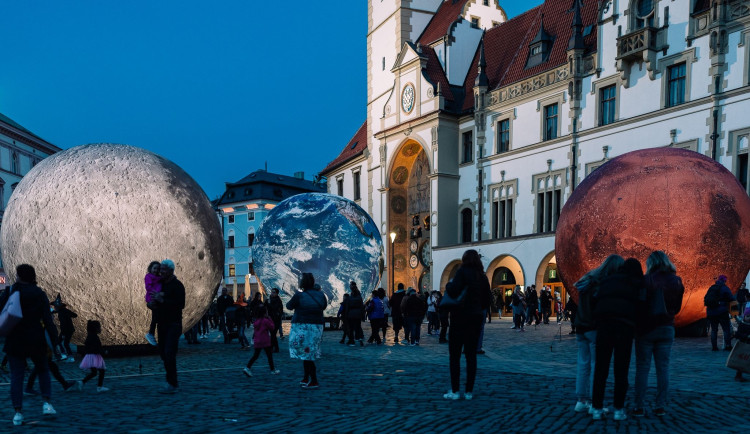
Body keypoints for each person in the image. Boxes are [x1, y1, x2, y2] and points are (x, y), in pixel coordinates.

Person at [0, 264, 58, 425]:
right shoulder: (39, 293)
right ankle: (47, 403)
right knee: (43, 370)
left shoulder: (11, 291)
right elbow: (48, 319)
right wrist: (54, 341)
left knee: (16, 377)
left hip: (15, 339)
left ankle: (18, 413)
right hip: (35, 337)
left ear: (18, 276)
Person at [633, 251, 685, 417]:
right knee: (663, 369)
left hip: (646, 329)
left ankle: (639, 406)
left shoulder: (646, 280)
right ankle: (660, 406)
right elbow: (677, 308)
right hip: (666, 327)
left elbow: (639, 305)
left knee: (642, 368)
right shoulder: (676, 281)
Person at [591, 257, 643, 421]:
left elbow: (596, 301)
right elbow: (640, 306)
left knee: (601, 369)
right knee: (621, 370)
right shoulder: (634, 283)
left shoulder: (607, 280)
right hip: (624, 328)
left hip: (604, 326)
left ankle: (597, 408)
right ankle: (619, 410)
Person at [572, 254, 623, 414]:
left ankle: (581, 400)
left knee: (583, 363)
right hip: (594, 327)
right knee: (596, 365)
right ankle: (595, 402)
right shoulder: (601, 283)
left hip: (580, 326)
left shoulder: (588, 279)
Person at [443, 249, 491, 400]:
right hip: (475, 318)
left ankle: (455, 390)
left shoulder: (462, 272)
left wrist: (448, 286)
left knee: (455, 356)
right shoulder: (482, 277)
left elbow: (454, 290)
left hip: (459, 318)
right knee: (471, 356)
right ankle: (469, 391)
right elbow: (488, 300)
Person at [286, 273, 327, 389]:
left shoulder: (299, 295)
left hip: (302, 326)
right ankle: (306, 378)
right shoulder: (321, 295)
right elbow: (323, 306)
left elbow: (289, 306)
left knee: (307, 354)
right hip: (317, 327)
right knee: (308, 353)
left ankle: (314, 380)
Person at [153, 259, 185, 394]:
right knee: (163, 353)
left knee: (169, 353)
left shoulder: (177, 285)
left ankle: (172, 383)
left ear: (171, 271)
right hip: (162, 323)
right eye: (161, 269)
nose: (161, 272)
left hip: (174, 324)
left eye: (164, 270)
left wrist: (163, 300)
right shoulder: (160, 284)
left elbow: (181, 304)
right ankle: (171, 381)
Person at [243, 306, 280, 376]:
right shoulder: (266, 320)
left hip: (257, 340)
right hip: (265, 340)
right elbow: (272, 327)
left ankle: (247, 367)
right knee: (269, 356)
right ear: (265, 313)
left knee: (255, 355)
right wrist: (270, 319)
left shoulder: (256, 321)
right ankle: (272, 370)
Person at [75, 320, 108, 392]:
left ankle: (82, 382)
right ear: (95, 328)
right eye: (99, 327)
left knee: (94, 372)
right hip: (95, 356)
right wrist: (103, 351)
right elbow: (97, 347)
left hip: (89, 356)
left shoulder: (89, 336)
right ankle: (99, 387)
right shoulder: (95, 337)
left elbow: (88, 346)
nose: (100, 329)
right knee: (101, 371)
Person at [705, 275, 735, 352]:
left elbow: (706, 298)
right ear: (725, 281)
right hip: (722, 311)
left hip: (711, 312)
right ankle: (728, 346)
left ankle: (714, 347)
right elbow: (731, 298)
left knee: (714, 330)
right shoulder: (725, 288)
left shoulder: (712, 287)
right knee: (726, 329)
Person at [51, 295, 77, 362]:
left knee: (64, 343)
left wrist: (63, 333)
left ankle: (69, 357)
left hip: (66, 330)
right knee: (62, 342)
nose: (54, 307)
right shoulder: (64, 310)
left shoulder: (62, 313)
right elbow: (75, 315)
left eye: (55, 306)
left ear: (57, 306)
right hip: (69, 329)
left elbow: (63, 323)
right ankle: (65, 355)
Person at [144, 261, 162, 346]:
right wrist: (156, 294)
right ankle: (151, 333)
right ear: (150, 268)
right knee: (156, 316)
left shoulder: (160, 278)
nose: (156, 270)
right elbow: (148, 287)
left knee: (157, 317)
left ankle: (152, 334)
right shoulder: (148, 276)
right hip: (152, 298)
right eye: (154, 268)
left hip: (158, 299)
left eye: (158, 269)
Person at [344, 282, 365, 346]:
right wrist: (363, 316)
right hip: (358, 314)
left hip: (351, 314)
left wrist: (346, 315)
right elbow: (362, 307)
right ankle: (360, 339)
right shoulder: (359, 297)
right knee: (358, 327)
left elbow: (347, 307)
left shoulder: (349, 298)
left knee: (351, 328)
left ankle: (352, 341)